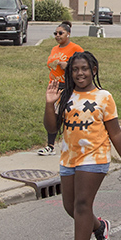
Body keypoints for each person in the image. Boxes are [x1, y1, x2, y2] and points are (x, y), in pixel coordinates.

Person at [43, 51, 121, 240]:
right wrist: (49, 104)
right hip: (69, 157)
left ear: (93, 70)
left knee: (82, 204)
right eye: (75, 69)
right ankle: (99, 227)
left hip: (94, 157)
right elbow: (51, 129)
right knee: (71, 207)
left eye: (84, 68)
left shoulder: (103, 97)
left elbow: (115, 133)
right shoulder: (65, 96)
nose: (79, 73)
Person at [38, 21, 83, 156]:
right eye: (55, 34)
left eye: (60, 33)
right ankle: (50, 146)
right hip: (54, 86)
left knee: (70, 116)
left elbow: (83, 64)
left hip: (68, 86)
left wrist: (68, 65)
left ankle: (73, 144)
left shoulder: (76, 48)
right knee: (53, 115)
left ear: (68, 34)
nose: (57, 36)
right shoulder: (54, 49)